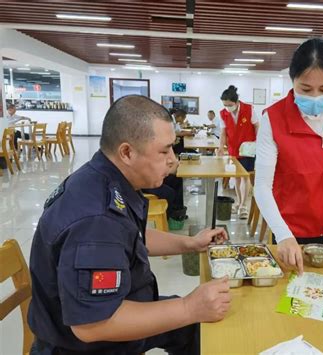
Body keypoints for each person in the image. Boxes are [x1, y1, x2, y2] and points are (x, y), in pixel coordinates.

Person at [28, 95, 230, 355]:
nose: (173, 161)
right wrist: (189, 308)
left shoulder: (104, 180)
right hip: (86, 345)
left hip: (119, 307)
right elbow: (92, 325)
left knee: (193, 328)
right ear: (126, 152)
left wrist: (189, 243)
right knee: (191, 316)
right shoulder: (96, 219)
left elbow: (129, 237)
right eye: (164, 151)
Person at [254, 37, 323, 275]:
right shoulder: (273, 119)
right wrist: (283, 235)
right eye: (305, 89)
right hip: (292, 228)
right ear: (292, 80)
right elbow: (262, 186)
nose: (315, 97)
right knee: (289, 298)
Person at [217, 85, 259, 219]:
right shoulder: (223, 113)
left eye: (229, 105)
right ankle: (240, 203)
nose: (227, 107)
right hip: (233, 149)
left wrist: (257, 143)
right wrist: (220, 147)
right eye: (225, 105)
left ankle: (243, 205)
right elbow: (223, 133)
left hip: (247, 149)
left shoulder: (249, 109)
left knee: (245, 177)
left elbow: (257, 125)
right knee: (236, 177)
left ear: (236, 102)